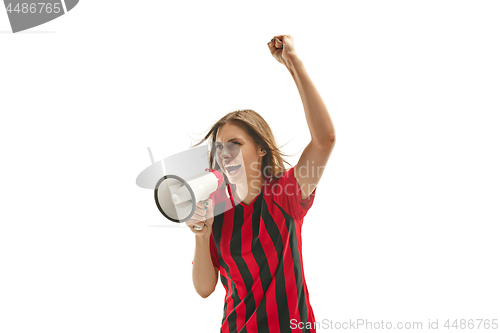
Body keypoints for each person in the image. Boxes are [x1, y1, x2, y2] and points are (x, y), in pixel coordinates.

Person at [186, 34, 336, 333]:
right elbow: (204, 289)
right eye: (219, 147)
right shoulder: (215, 206)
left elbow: (325, 140)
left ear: (261, 149)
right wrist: (201, 237)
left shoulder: (286, 192)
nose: (224, 153)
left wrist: (293, 64)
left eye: (235, 143)